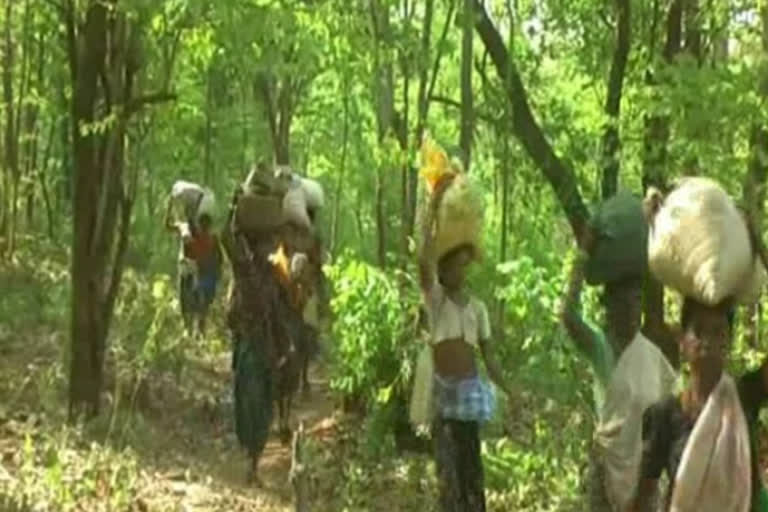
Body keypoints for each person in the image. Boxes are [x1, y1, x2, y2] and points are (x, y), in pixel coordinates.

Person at [560, 229, 676, 512]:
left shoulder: (651, 355)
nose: (629, 308)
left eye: (636, 301)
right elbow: (566, 313)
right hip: (606, 465)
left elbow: (671, 414)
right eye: (622, 301)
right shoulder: (600, 346)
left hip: (643, 470)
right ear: (608, 306)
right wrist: (583, 254)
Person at [418, 177, 512, 512]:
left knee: (472, 478)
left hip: (469, 401)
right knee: (449, 481)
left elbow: (489, 357)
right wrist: (433, 206)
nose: (461, 271)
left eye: (464, 265)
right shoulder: (437, 301)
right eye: (455, 265)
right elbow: (423, 261)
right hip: (443, 403)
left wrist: (510, 390)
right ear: (443, 269)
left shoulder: (478, 310)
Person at [165, 196, 222, 337]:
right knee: (186, 300)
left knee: (199, 303)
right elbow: (168, 226)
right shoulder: (184, 227)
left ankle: (198, 332)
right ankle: (189, 330)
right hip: (187, 269)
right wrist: (169, 207)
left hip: (200, 271)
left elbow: (215, 256)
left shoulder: (207, 236)